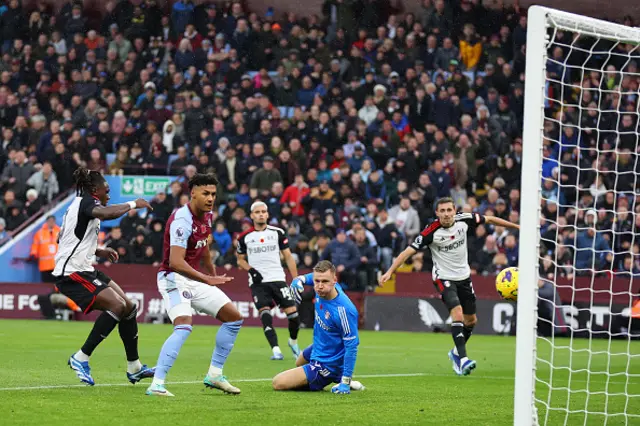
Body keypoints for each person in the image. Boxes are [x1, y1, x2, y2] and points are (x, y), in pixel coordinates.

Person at [379, 197, 520, 376]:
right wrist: (390, 271)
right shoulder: (430, 232)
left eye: (449, 210)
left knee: (471, 321)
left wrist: (517, 227)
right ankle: (462, 360)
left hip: (464, 277)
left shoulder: (464, 220)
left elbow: (490, 219)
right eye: (442, 211)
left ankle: (455, 353)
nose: (446, 214)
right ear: (437, 213)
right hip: (443, 278)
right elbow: (408, 252)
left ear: (455, 210)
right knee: (457, 313)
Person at [53, 167, 156, 386]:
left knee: (129, 307)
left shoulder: (80, 205)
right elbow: (107, 214)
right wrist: (132, 204)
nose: (108, 195)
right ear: (93, 190)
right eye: (106, 190)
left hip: (84, 267)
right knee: (117, 306)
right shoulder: (86, 203)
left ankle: (134, 367)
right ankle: (80, 357)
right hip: (71, 273)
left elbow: (65, 239)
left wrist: (97, 250)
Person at [147, 173, 242, 397]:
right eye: (205, 193)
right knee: (183, 325)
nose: (210, 198)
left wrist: (212, 272)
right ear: (193, 194)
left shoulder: (207, 215)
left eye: (213, 194)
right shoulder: (182, 220)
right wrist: (207, 279)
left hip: (194, 278)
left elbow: (204, 245)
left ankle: (215, 375)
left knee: (234, 319)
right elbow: (175, 262)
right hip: (172, 277)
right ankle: (157, 384)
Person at [272, 261, 360, 393]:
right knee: (299, 362)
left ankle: (338, 377)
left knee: (278, 382)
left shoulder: (344, 310)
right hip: (320, 345)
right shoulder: (322, 290)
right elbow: (310, 277)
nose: (319, 286)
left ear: (334, 280)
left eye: (324, 281)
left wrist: (346, 383)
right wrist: (299, 279)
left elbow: (352, 347)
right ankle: (337, 376)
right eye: (316, 281)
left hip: (327, 362)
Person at [236, 201, 300, 360]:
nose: (261, 214)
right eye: (257, 212)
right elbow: (240, 260)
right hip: (258, 283)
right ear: (252, 215)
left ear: (267, 214)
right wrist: (251, 270)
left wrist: (296, 279)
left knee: (293, 315)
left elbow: (288, 257)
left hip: (278, 278)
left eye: (263, 211)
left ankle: (293, 341)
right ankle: (276, 350)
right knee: (265, 313)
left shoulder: (277, 232)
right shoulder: (244, 237)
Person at [30, 215, 60, 282]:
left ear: (55, 222)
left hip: (57, 264)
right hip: (45, 264)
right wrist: (33, 253)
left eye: (53, 221)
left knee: (57, 283)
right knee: (46, 283)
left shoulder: (59, 232)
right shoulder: (39, 233)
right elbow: (35, 244)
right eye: (49, 221)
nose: (51, 223)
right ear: (46, 222)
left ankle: (57, 292)